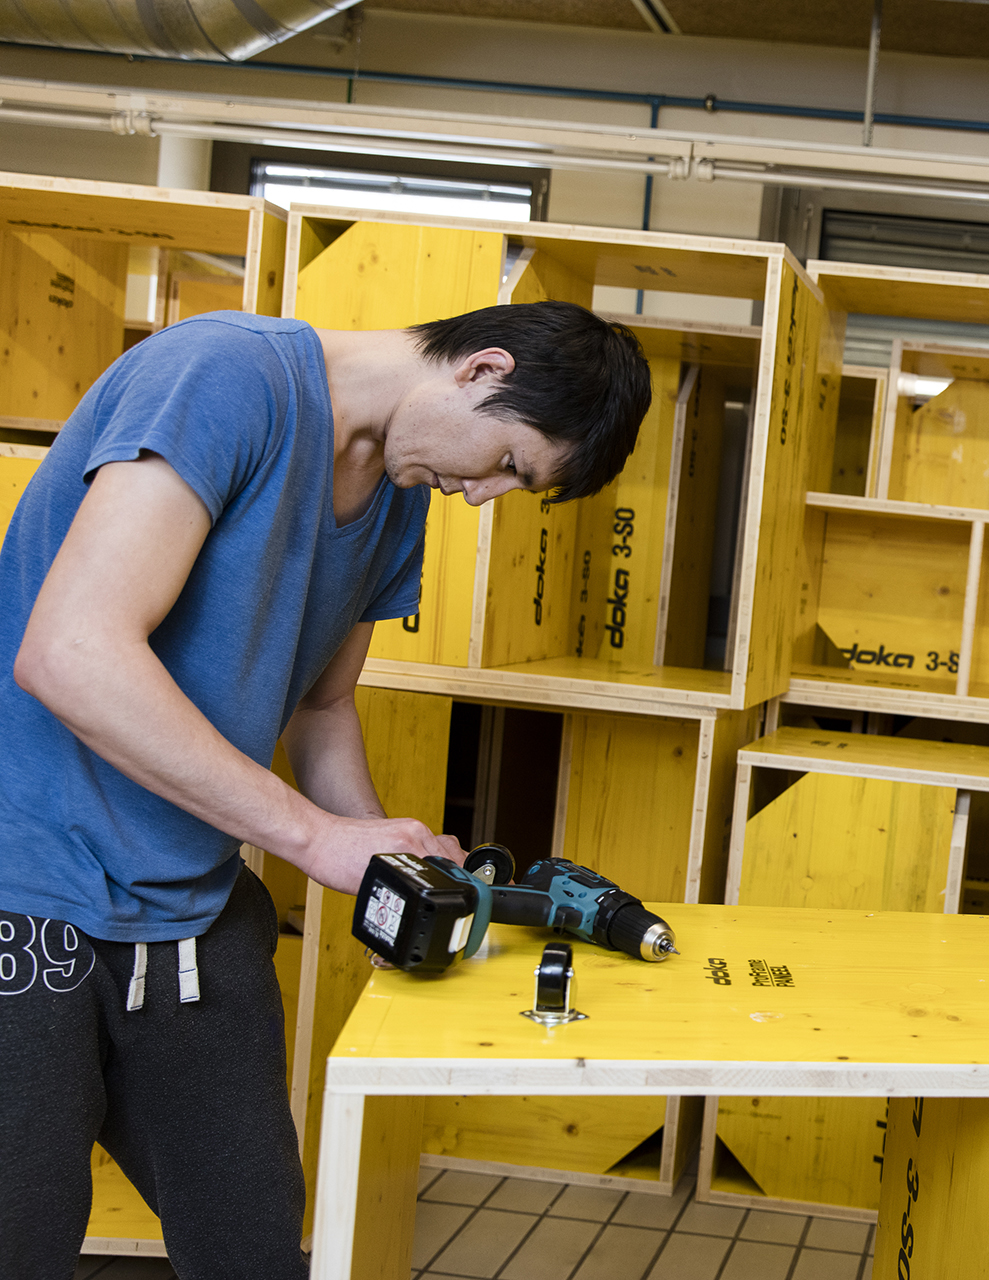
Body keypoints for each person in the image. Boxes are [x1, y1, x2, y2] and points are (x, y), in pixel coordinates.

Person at [0, 300, 650, 1278]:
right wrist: (309, 836)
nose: (482, 497)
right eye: (509, 464)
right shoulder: (227, 379)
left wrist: (372, 839)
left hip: (190, 901)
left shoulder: (398, 489)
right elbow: (72, 651)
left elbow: (324, 702)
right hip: (27, 892)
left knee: (254, 1244)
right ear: (481, 370)